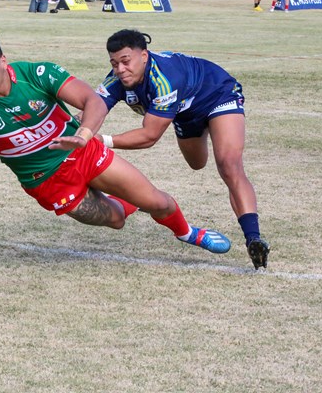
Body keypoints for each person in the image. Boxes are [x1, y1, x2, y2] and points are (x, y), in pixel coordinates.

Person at [0, 32, 232, 257]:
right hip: (48, 183)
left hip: (84, 154)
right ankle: (129, 201)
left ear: (3, 61)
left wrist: (85, 135)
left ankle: (189, 233)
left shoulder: (38, 74)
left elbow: (93, 101)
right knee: (116, 220)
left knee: (158, 202)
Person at [92, 29, 268, 269]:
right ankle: (208, 129)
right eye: (114, 63)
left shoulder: (164, 80)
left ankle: (253, 238)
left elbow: (149, 136)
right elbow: (93, 109)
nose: (120, 69)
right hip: (185, 114)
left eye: (125, 61)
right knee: (197, 163)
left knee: (229, 165)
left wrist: (101, 140)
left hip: (217, 94)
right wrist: (74, 130)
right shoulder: (117, 78)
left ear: (144, 55)